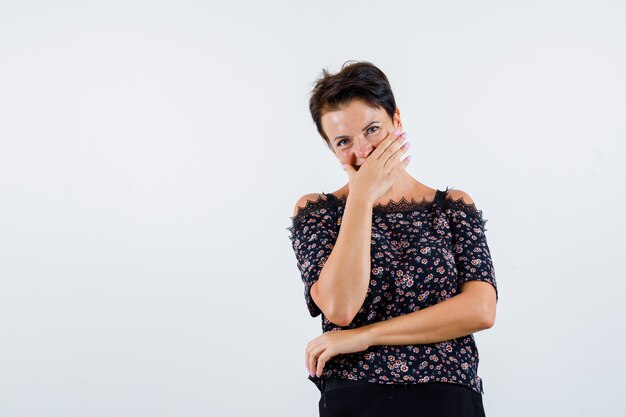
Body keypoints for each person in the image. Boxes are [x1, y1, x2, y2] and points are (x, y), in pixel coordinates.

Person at [287, 60, 499, 417]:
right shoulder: (318, 212)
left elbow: (480, 309)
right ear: (332, 149)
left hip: (446, 393)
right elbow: (340, 307)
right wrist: (362, 198)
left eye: (372, 129)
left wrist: (363, 336)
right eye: (344, 141)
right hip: (357, 397)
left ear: (396, 120)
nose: (364, 150)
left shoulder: (453, 207)